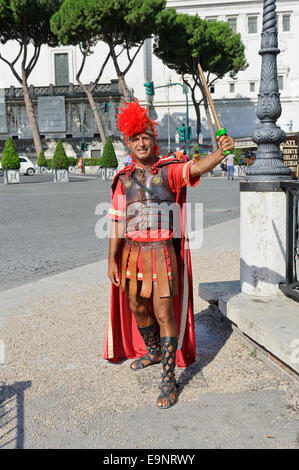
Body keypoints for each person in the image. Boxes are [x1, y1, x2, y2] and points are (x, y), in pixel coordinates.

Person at [104, 99, 234, 409]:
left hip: (162, 253)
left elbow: (195, 167)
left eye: (145, 136)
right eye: (135, 138)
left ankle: (169, 377)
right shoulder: (122, 180)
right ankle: (152, 350)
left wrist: (220, 152)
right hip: (131, 254)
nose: (141, 142)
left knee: (164, 313)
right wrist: (112, 257)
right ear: (128, 142)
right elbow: (117, 221)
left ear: (153, 138)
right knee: (137, 306)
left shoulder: (169, 171)